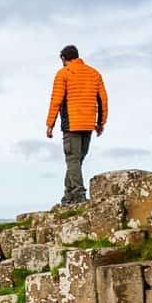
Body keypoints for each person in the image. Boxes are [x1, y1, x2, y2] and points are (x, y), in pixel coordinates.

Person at [46, 45, 108, 205]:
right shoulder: (94, 73)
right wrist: (101, 123)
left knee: (73, 160)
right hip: (88, 123)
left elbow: (56, 100)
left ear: (64, 59)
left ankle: (79, 195)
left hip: (71, 123)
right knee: (77, 160)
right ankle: (69, 195)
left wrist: (50, 124)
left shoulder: (63, 73)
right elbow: (102, 100)